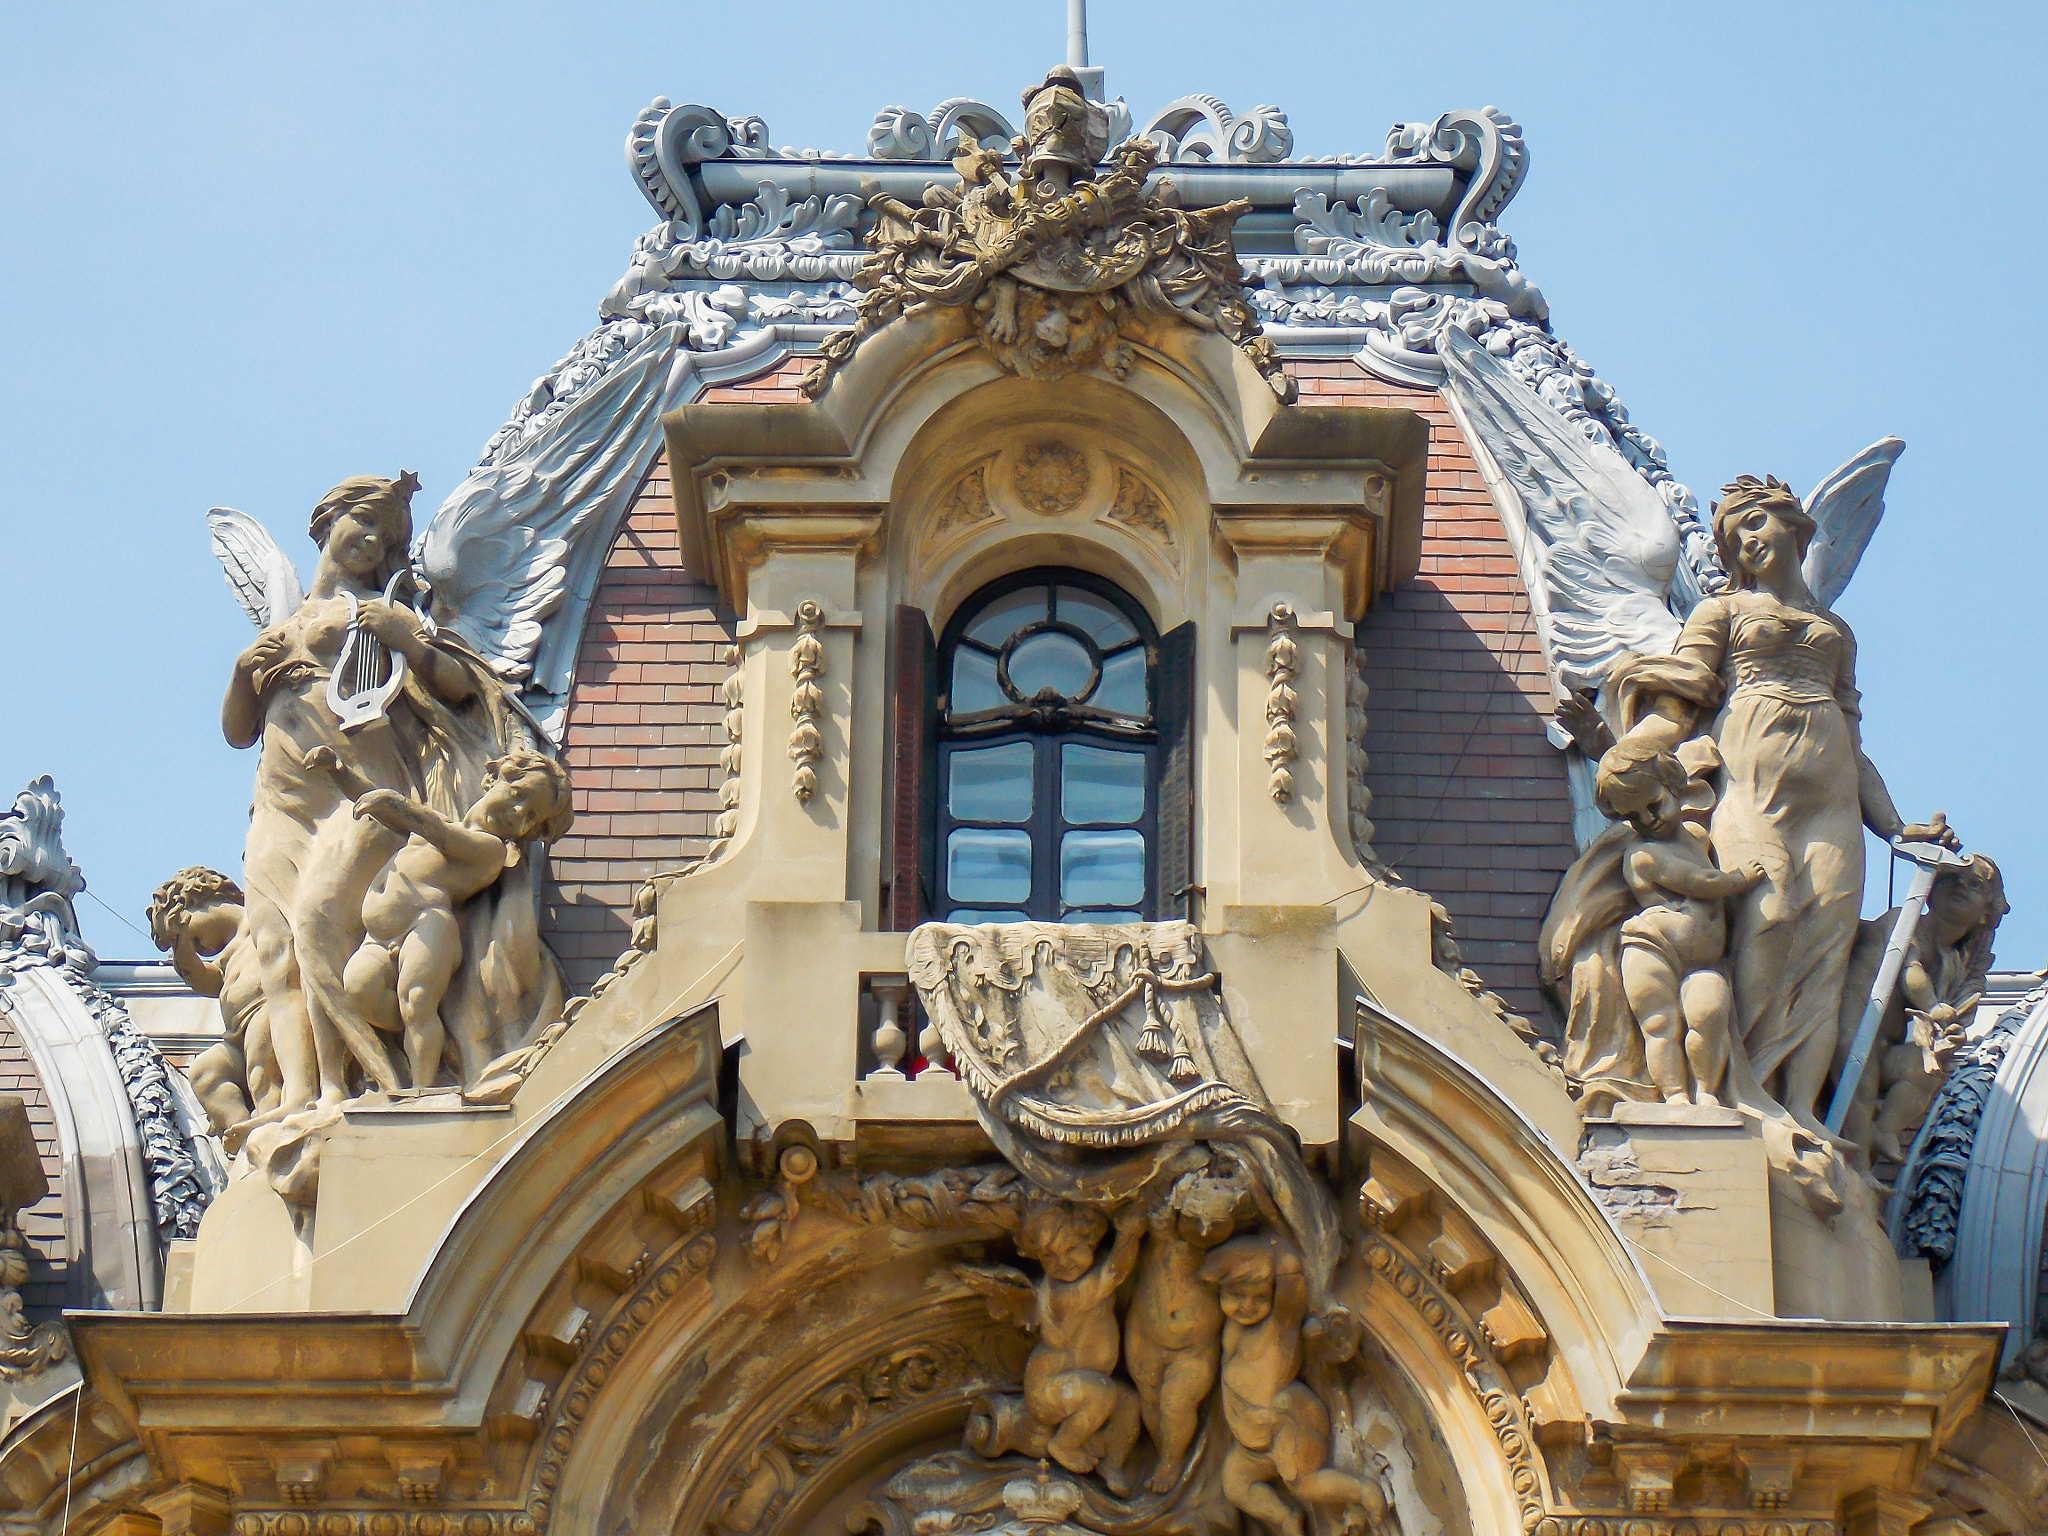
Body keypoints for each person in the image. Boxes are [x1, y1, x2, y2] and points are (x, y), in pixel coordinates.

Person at [1599, 474, 1953, 1136]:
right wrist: (1633, 753)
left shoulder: (1836, 632)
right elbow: (1679, 701)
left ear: (1794, 526)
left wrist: (1896, 827)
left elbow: (1854, 742)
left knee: (1824, 953)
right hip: (1751, 791)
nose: (1748, 542)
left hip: (1833, 804)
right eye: (1735, 536)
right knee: (1769, 917)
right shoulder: (1723, 614)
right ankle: (1743, 1090)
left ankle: (1800, 1112)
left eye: (1757, 524)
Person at [307, 747, 572, 1090]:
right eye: (518, 795)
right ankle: (434, 1045)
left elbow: (443, 837)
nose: (519, 811)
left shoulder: (491, 852)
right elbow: (378, 804)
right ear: (492, 780)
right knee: (359, 988)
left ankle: (420, 1086)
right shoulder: (438, 820)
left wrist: (397, 806)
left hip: (429, 926)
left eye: (531, 816)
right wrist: (338, 768)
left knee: (417, 1001)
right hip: (379, 936)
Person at [1598, 744, 1766, 1106]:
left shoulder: (1697, 837)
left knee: (1708, 1014)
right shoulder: (1644, 855)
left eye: (1654, 804)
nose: (1648, 819)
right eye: (1634, 816)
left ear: (1675, 787)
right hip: (1650, 950)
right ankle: (1674, 1096)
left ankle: (1706, 1093)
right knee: (1660, 1025)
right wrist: (1739, 879)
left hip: (1701, 962)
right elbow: (1700, 882)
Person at [1200, 1233, 1387, 1536]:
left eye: (1259, 1297)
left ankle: (1362, 1491)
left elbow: (1291, 1283)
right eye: (1236, 1295)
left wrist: (1277, 1251)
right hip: (1252, 1445)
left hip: (1288, 1421)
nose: (1246, 1306)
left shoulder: (1280, 1327)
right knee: (1235, 1484)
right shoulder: (1231, 1329)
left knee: (1302, 1482)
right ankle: (1287, 1519)